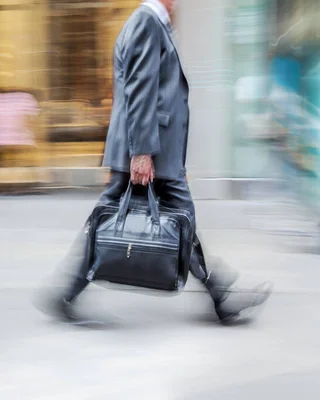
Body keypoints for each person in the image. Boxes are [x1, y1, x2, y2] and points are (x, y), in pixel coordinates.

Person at [43, 0, 272, 325]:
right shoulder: (147, 22)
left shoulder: (150, 23)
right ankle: (220, 296)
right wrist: (142, 152)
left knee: (163, 220)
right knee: (162, 219)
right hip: (150, 151)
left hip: (156, 151)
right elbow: (140, 88)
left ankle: (67, 292)